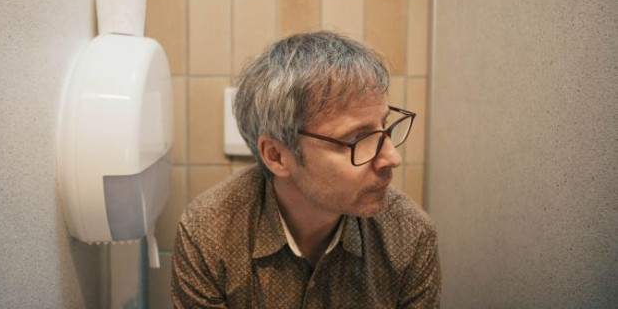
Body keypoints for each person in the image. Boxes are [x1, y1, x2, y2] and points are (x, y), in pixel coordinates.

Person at [171, 31, 441, 308]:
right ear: (276, 155)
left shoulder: (409, 235)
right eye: (356, 139)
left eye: (383, 126)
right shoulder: (210, 234)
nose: (392, 157)